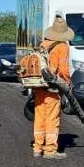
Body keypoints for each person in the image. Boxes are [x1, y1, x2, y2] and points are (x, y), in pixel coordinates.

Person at [32, 16, 74, 159]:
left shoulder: (43, 43)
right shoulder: (63, 47)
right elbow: (63, 70)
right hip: (52, 87)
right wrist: (67, 83)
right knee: (52, 118)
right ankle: (50, 150)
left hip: (39, 85)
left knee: (40, 117)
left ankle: (37, 148)